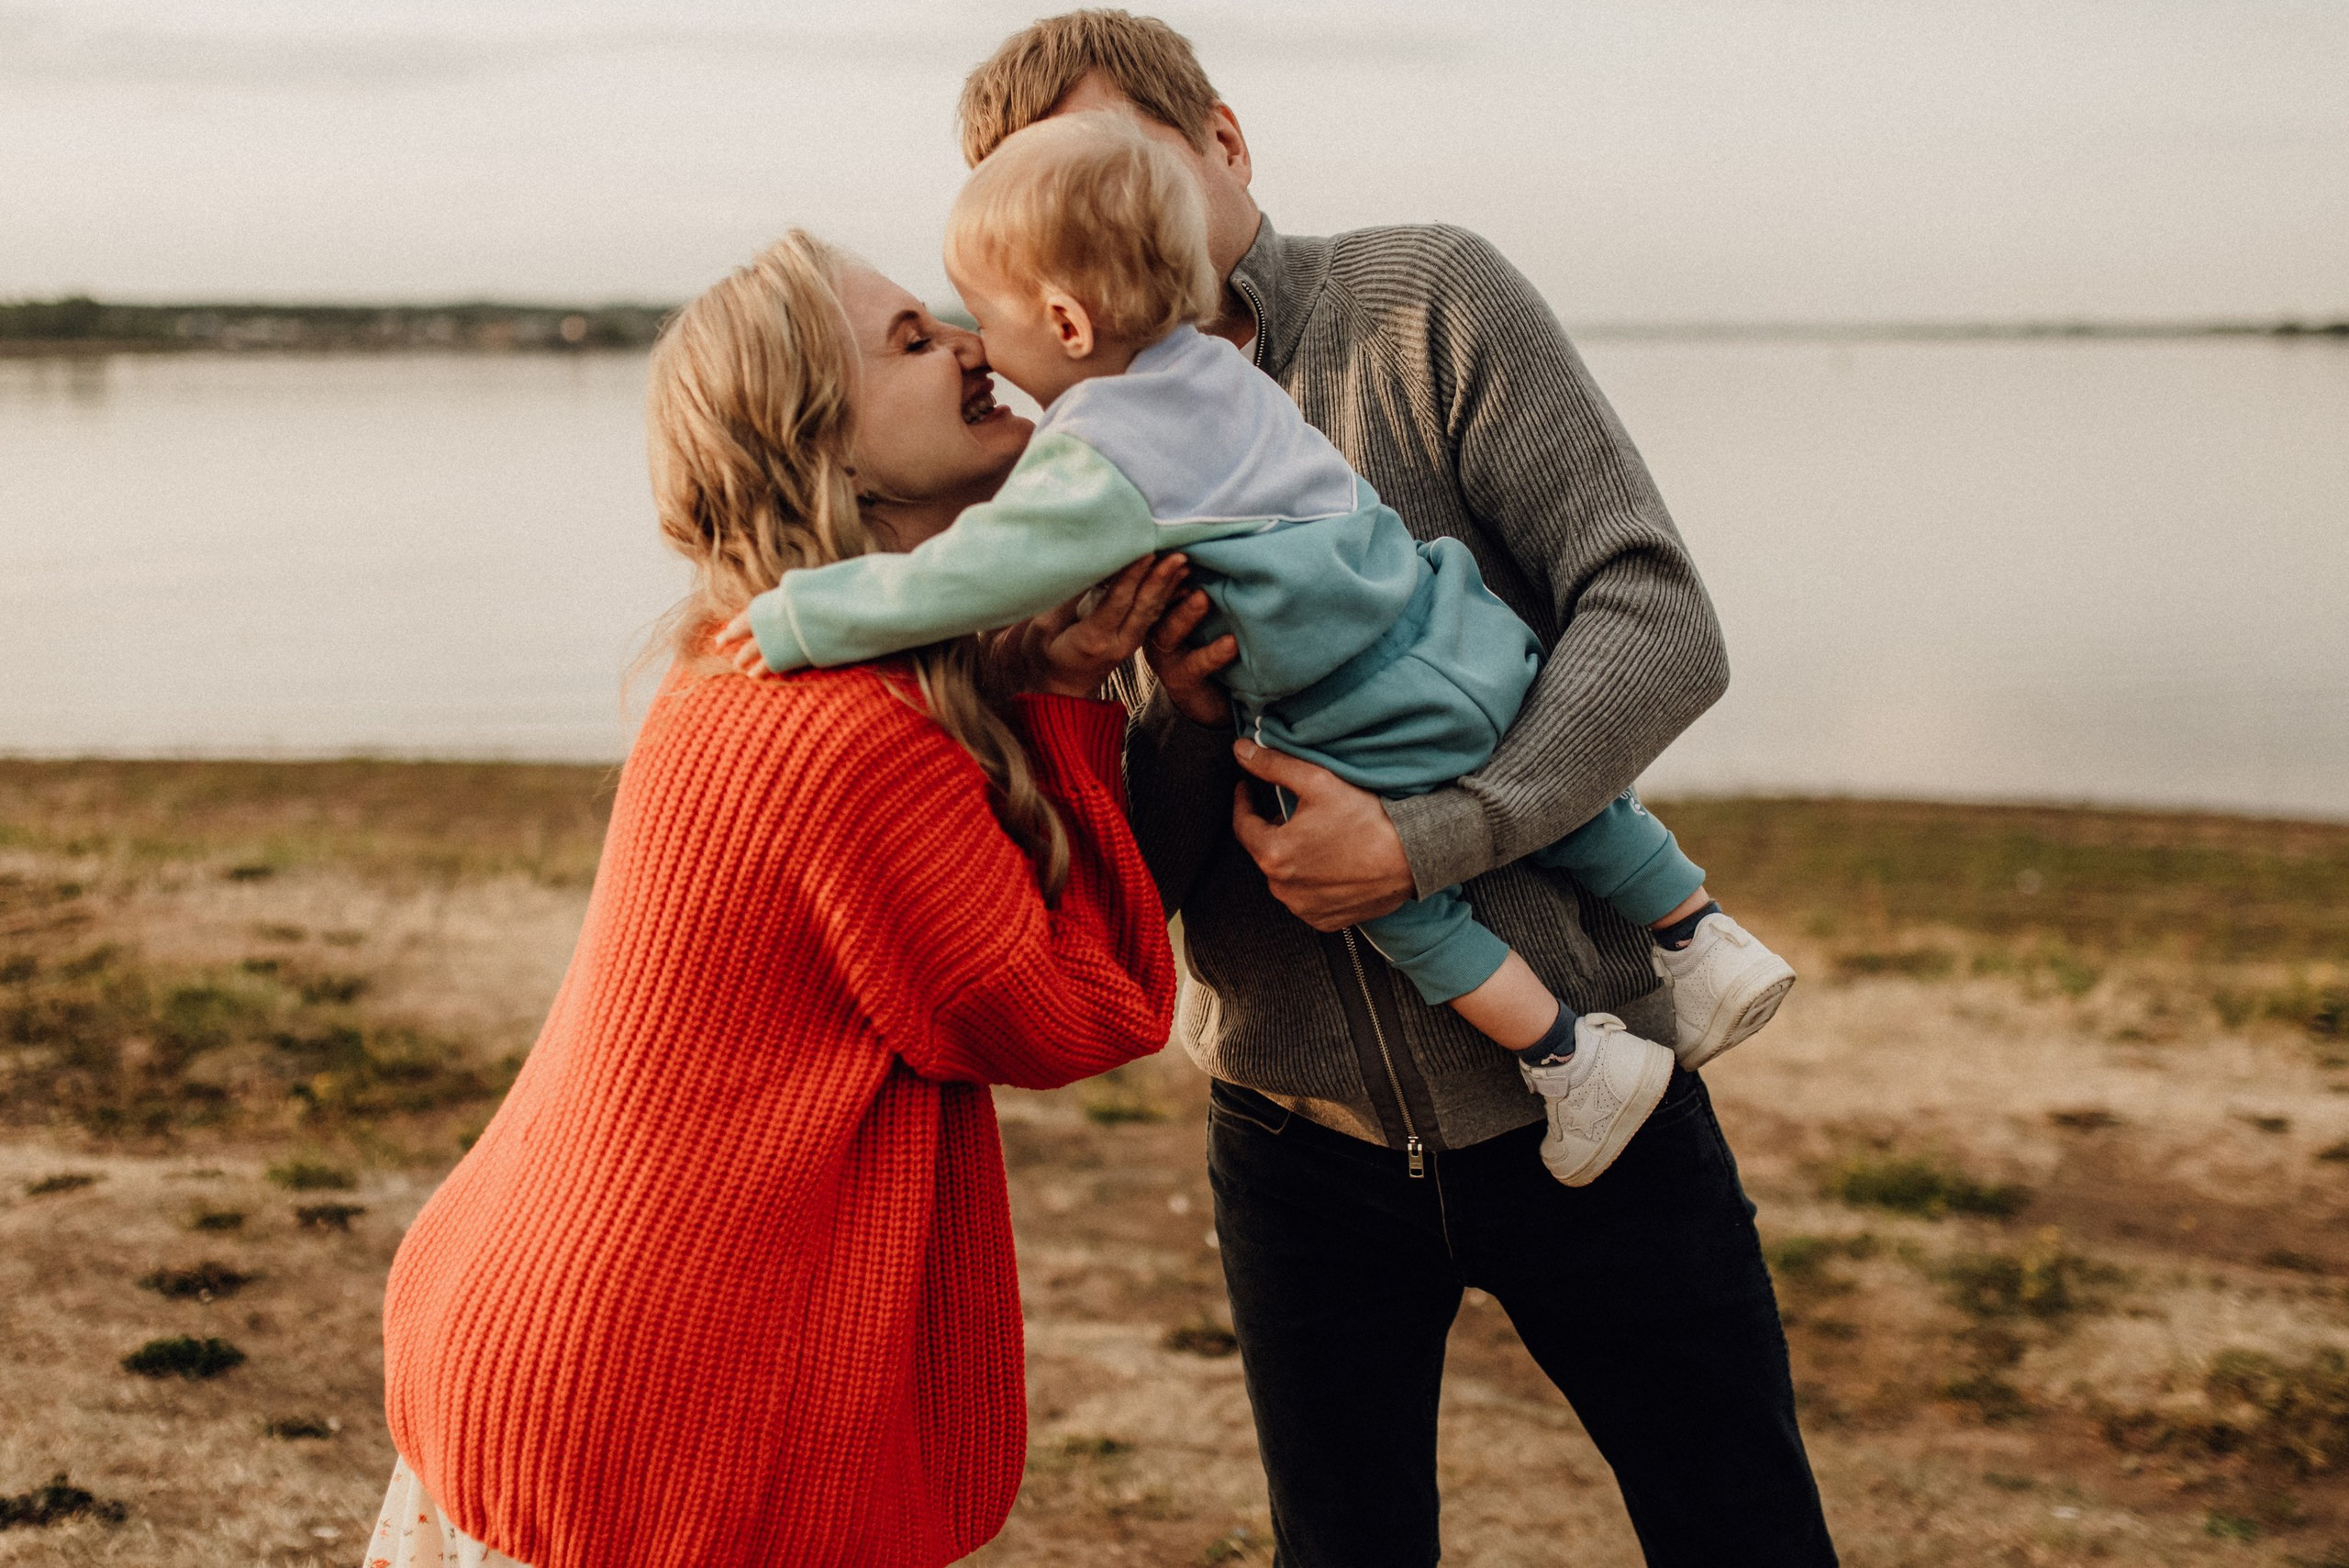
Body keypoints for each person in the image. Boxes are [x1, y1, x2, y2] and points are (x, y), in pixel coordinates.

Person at [952, 12, 1842, 1566]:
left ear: (1225, 144)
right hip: (1293, 1148)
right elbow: (1134, 883)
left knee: (1744, 1532)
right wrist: (1174, 713)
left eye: (1130, 165)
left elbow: (1658, 621)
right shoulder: (1074, 460)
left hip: (1596, 1100)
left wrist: (1431, 838)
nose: (1111, 224)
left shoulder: (1426, 301)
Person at [719, 110, 1797, 1188]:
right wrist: (1161, 714)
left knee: (1406, 911)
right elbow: (1142, 872)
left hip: (1364, 720)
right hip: (1459, 641)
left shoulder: (1104, 451)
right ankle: (1696, 932)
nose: (975, 348)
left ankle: (1569, 1055)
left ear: (1063, 313)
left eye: (982, 318)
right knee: (1593, 813)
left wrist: (798, 616)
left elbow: (965, 574)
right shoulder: (1216, 369)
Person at [367, 232, 1186, 1568]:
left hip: (539, 1326)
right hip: (649, 1415)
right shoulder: (849, 732)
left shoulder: (729, 661)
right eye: (915, 341)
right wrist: (1078, 702)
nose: (978, 344)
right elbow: (1074, 1011)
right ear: (828, 445)